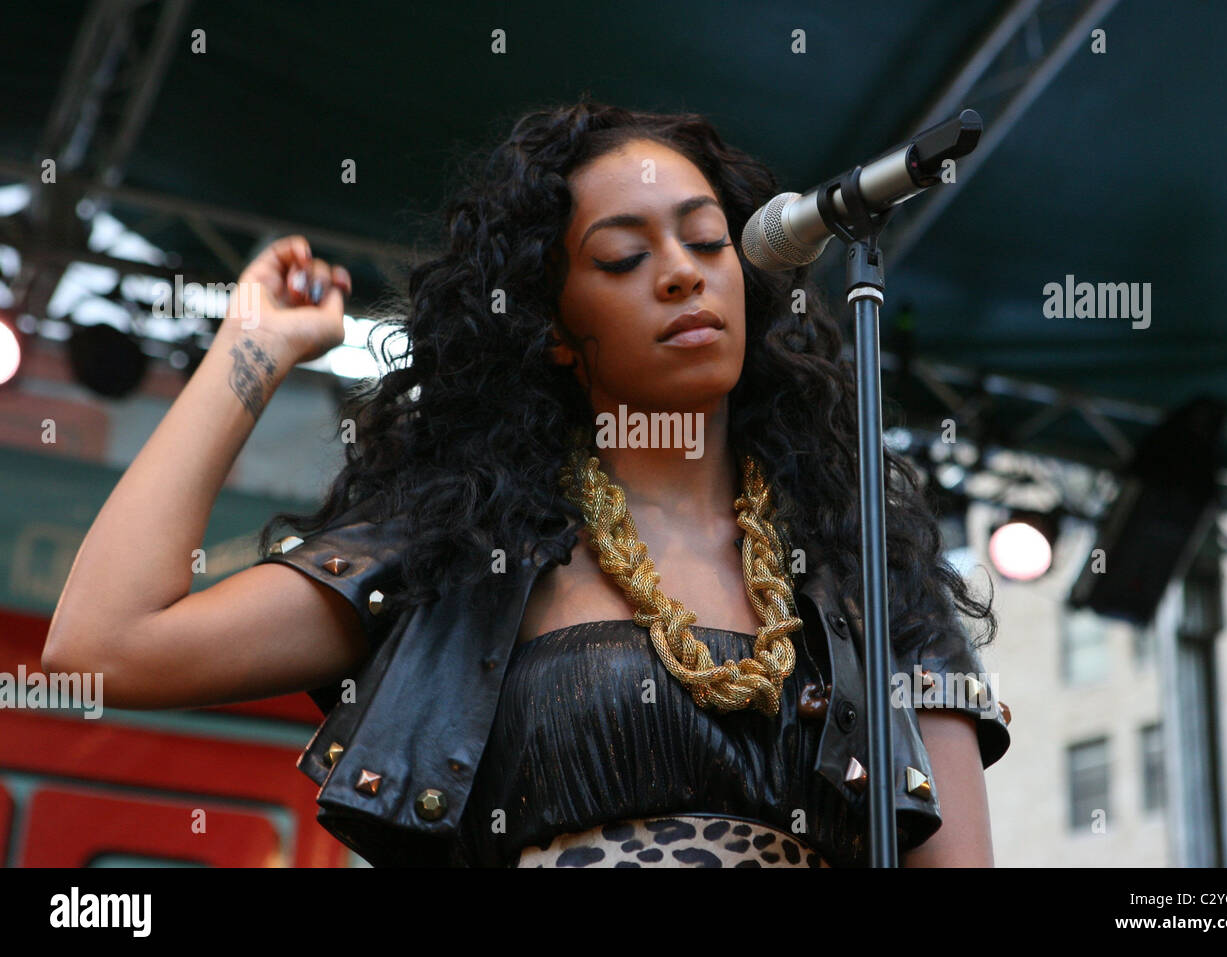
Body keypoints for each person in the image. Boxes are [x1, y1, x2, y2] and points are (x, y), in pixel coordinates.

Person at [43, 98, 1009, 867]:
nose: (680, 274)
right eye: (625, 257)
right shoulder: (467, 559)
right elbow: (106, 647)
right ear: (550, 326)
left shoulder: (864, 572)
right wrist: (247, 353)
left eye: (709, 241)